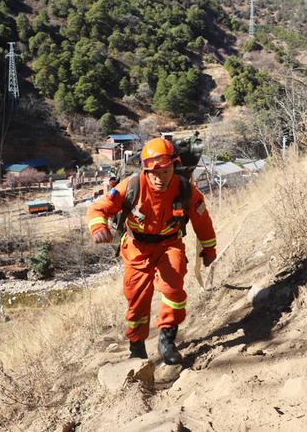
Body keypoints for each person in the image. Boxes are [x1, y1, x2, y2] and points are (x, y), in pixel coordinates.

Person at [86, 137, 217, 365]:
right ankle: (137, 348)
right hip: (137, 249)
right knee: (137, 300)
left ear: (173, 166)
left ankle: (167, 339)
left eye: (165, 171)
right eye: (154, 173)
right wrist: (98, 226)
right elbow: (98, 208)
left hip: (169, 244)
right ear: (146, 169)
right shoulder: (132, 186)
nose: (159, 178)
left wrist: (209, 248)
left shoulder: (185, 189)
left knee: (173, 288)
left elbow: (202, 220)